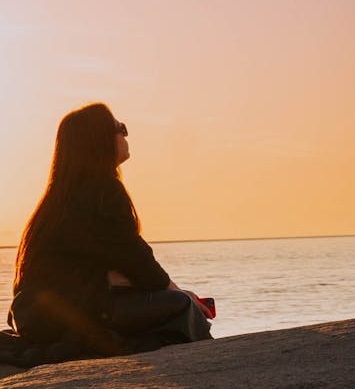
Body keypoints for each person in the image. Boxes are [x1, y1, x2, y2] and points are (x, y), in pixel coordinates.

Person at [8, 103, 213, 359]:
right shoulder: (103, 191)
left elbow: (114, 257)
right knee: (183, 307)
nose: (125, 136)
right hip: (73, 316)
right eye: (120, 129)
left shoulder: (57, 200)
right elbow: (135, 257)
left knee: (169, 305)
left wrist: (117, 278)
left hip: (35, 318)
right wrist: (179, 292)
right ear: (100, 139)